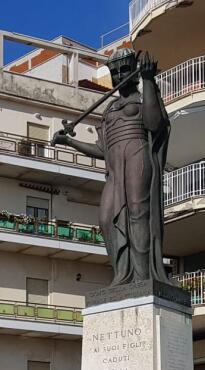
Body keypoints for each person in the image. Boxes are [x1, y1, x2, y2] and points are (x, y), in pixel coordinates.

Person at [51, 48, 170, 286]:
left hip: (137, 156)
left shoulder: (146, 97)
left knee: (138, 213)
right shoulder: (110, 108)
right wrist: (70, 141)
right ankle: (122, 273)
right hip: (115, 168)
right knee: (107, 218)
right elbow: (103, 151)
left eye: (124, 69)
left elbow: (154, 124)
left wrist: (148, 81)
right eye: (114, 72)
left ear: (134, 71)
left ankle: (143, 275)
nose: (119, 75)